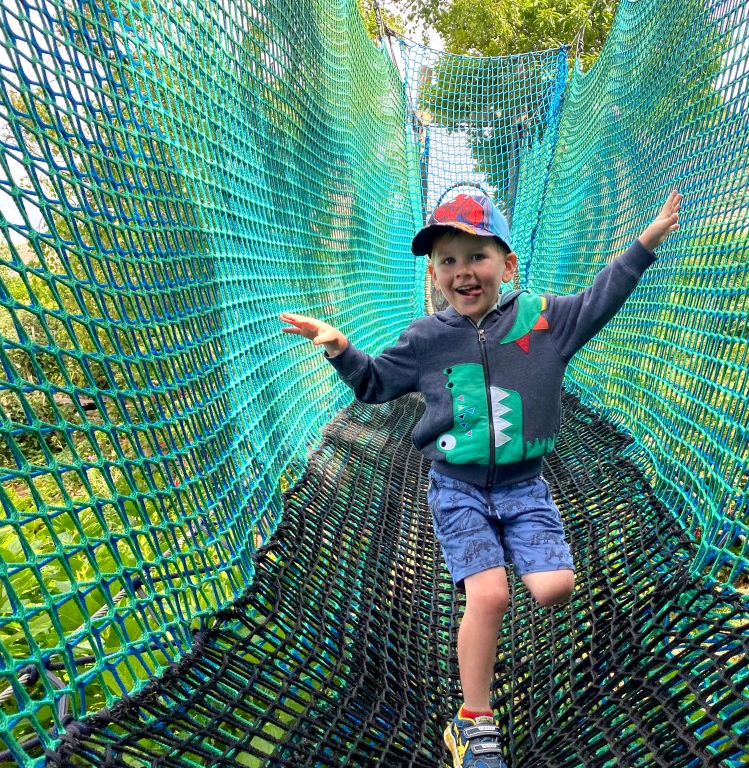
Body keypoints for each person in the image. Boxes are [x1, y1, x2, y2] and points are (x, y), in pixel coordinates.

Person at [281, 189, 681, 768]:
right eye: (448, 260)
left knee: (554, 587)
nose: (463, 271)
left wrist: (645, 244)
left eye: (477, 256)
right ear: (434, 274)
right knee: (490, 595)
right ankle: (472, 721)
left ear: (507, 265)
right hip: (457, 487)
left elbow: (601, 296)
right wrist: (340, 347)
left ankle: (500, 551)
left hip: (525, 486)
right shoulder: (426, 338)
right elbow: (374, 384)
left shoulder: (544, 321)